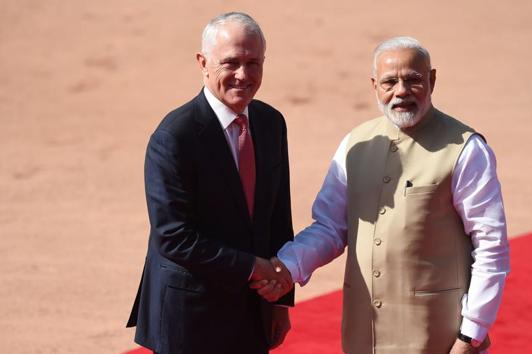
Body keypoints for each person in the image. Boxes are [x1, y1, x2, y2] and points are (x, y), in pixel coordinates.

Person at [252, 36, 510, 353]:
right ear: (375, 85)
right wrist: (285, 267)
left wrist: (472, 333)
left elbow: (491, 246)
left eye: (413, 79)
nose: (401, 91)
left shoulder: (466, 150)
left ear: (431, 80)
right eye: (390, 82)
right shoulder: (355, 145)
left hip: (439, 337)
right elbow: (330, 227)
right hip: (364, 336)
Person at [126, 12, 295, 354]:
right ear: (203, 63)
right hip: (189, 316)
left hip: (252, 310)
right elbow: (173, 235)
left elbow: (278, 214)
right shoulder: (175, 136)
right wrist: (251, 267)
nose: (243, 75)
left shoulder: (270, 123)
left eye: (253, 62)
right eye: (230, 62)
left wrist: (280, 301)